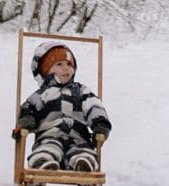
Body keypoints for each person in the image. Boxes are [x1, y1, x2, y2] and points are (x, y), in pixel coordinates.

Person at [15, 43, 111, 171]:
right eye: (59, 64)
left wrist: (101, 125)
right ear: (45, 70)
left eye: (69, 64)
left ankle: (83, 165)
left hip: (78, 137)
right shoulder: (42, 94)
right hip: (49, 136)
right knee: (47, 148)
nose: (66, 68)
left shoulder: (81, 91)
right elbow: (29, 109)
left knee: (83, 151)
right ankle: (43, 164)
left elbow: (94, 107)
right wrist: (27, 120)